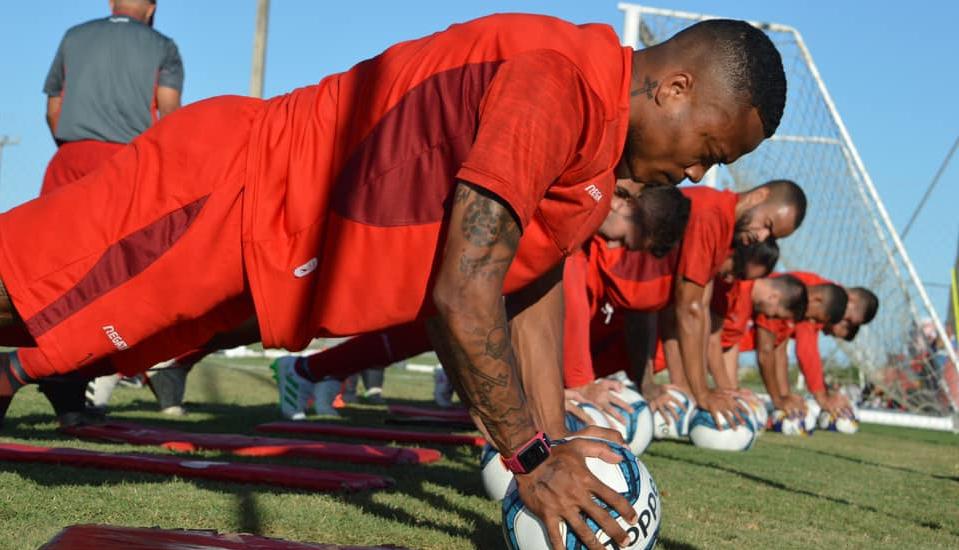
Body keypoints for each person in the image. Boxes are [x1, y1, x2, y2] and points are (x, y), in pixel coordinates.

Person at [0, 15, 785, 547]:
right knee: (18, 297)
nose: (697, 171)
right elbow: (462, 290)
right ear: (674, 88)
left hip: (271, 259)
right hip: (225, 193)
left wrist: (555, 445)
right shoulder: (559, 83)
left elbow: (528, 287)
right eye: (709, 148)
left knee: (72, 352)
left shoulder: (597, 156)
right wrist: (531, 458)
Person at [273, 184, 692, 419]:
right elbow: (569, 282)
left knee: (418, 331)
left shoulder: (599, 209)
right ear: (625, 199)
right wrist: (579, 382)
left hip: (495, 269)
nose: (611, 243)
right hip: (444, 234)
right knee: (361, 304)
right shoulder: (591, 196)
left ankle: (310, 369)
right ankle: (305, 368)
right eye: (622, 236)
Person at [33, 0, 184, 425]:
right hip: (124, 164)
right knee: (116, 278)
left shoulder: (74, 36)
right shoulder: (162, 46)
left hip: (69, 159)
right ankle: (84, 375)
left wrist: (74, 149)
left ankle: (62, 383)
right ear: (152, 8)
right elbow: (169, 115)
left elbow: (53, 110)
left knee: (51, 276)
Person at [736, 272, 849, 416]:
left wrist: (785, 396)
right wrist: (777, 399)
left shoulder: (793, 315)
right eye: (815, 318)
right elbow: (765, 352)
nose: (812, 322)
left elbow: (780, 352)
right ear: (817, 300)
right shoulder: (781, 299)